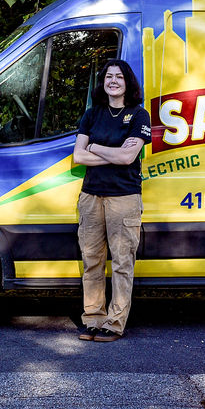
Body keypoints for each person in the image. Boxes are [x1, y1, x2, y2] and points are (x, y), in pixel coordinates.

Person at [71, 59, 152, 342]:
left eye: (119, 77)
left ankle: (114, 323)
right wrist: (111, 152)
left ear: (127, 83)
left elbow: (127, 158)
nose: (113, 81)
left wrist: (93, 146)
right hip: (91, 196)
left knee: (121, 263)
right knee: (92, 261)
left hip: (124, 199)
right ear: (103, 82)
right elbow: (78, 156)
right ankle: (92, 319)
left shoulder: (139, 116)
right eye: (108, 77)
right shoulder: (92, 115)